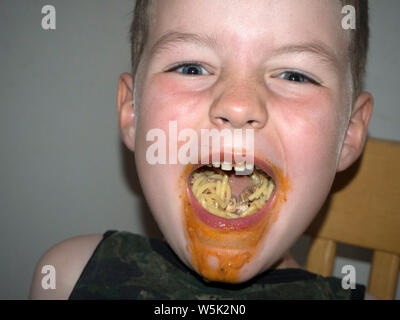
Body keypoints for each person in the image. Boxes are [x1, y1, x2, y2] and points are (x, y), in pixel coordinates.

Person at [29, 0, 376, 299]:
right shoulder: (68, 279)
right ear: (133, 113)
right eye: (191, 68)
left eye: (294, 76)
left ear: (348, 133)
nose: (239, 106)